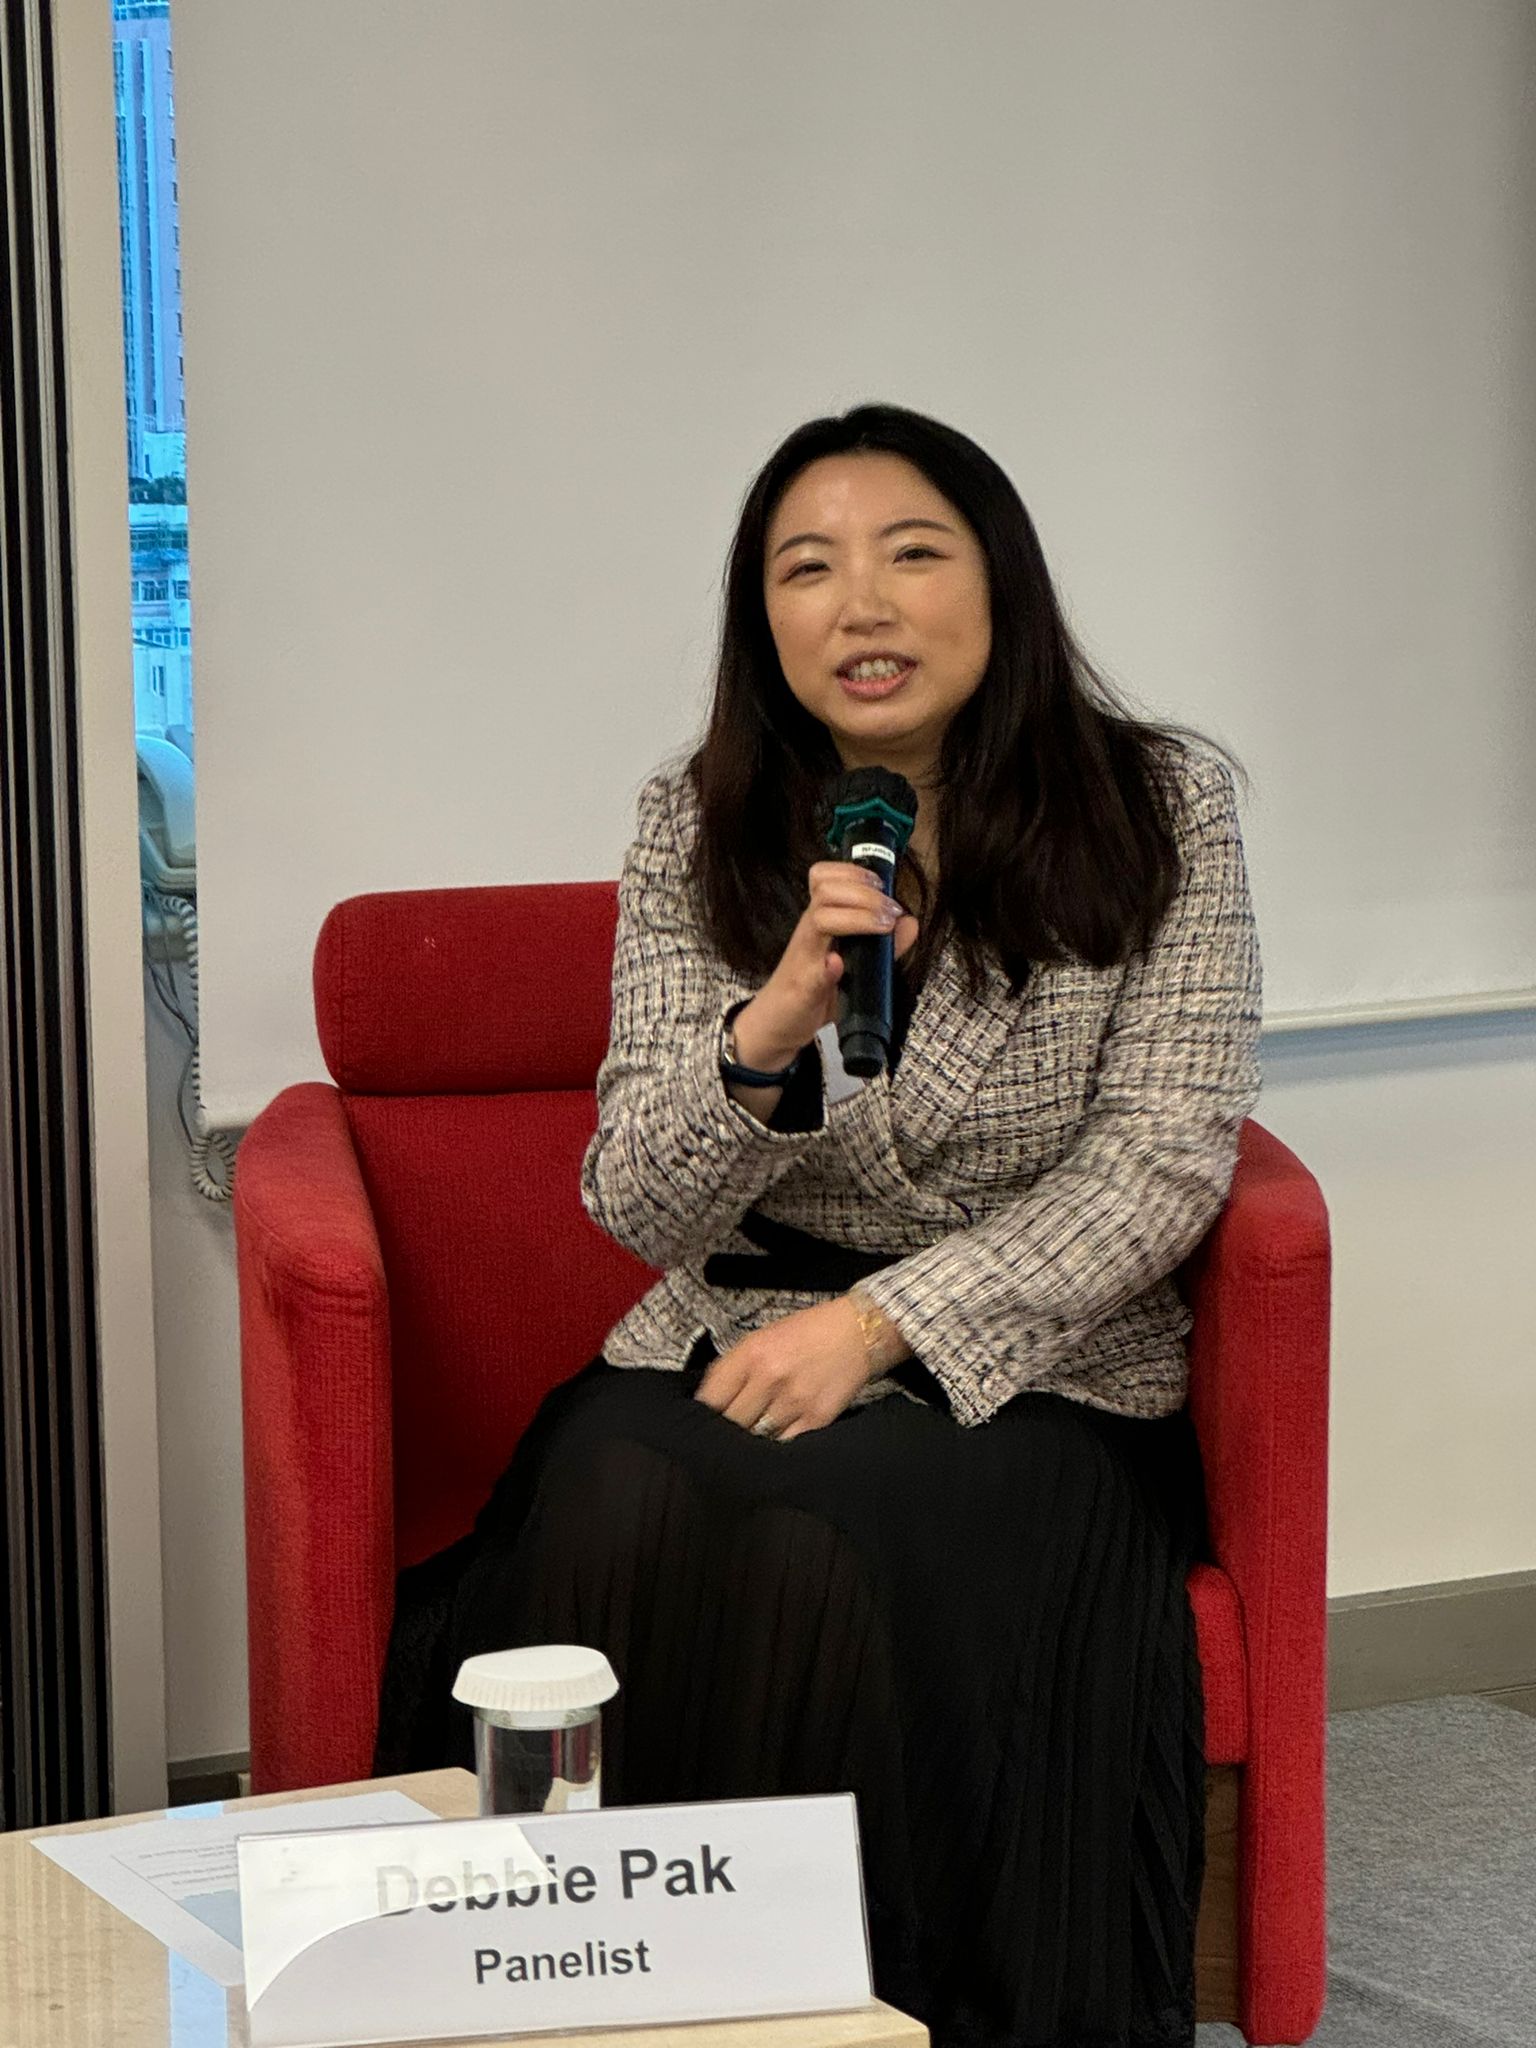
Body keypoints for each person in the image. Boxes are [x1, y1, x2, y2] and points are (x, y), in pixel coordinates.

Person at [374, 401, 1262, 2048]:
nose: (861, 604)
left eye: (911, 554)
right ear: (762, 620)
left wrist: (884, 1326)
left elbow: (1162, 1157)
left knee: (835, 1528)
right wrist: (767, 1030)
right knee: (615, 1499)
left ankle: (871, 2017)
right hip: (730, 1322)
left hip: (1033, 1368)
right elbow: (634, 1197)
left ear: (997, 583)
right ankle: (596, 2010)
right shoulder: (696, 816)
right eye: (808, 569)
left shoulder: (1158, 805)